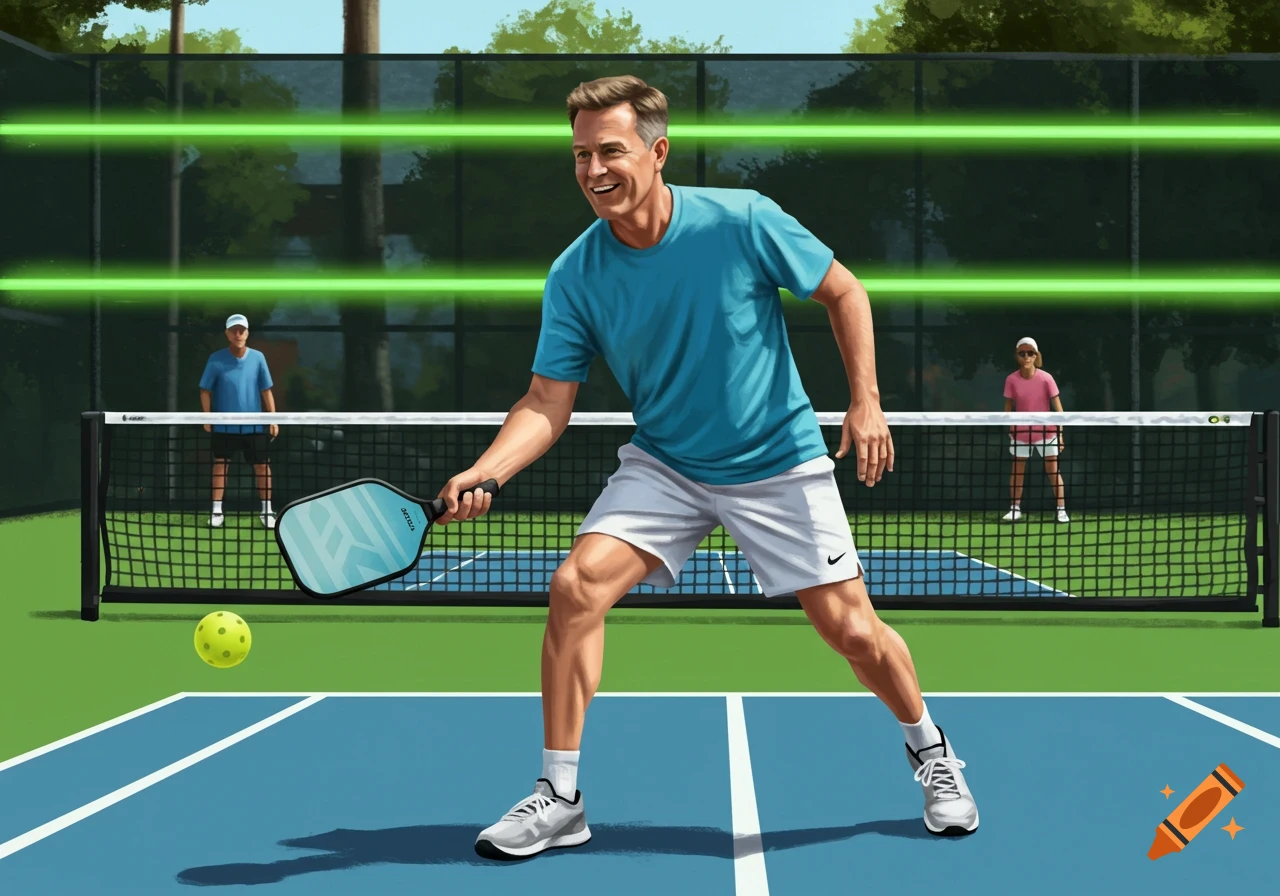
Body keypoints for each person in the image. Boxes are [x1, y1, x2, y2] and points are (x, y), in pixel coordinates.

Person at [436, 75, 980, 861]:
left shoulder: (742, 220)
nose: (593, 170)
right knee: (575, 587)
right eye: (581, 155)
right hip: (667, 463)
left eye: (610, 151)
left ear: (657, 153)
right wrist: (488, 469)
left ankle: (931, 752)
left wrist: (865, 401)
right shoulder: (576, 274)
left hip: (778, 459)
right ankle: (560, 797)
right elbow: (546, 401)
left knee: (852, 632)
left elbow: (844, 291)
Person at [199, 313, 278, 529]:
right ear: (227, 333)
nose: (238, 333)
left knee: (263, 467)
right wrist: (207, 417)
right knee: (221, 466)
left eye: (241, 330)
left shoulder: (258, 358)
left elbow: (266, 390)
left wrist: (273, 419)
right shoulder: (216, 359)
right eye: (234, 330)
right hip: (224, 426)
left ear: (247, 333)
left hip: (255, 426)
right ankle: (216, 511)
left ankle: (267, 510)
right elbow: (205, 390)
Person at [1002, 337, 1068, 523]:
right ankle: (1015, 509)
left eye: (1030, 353)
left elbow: (1059, 411)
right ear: (1017, 356)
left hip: (1047, 432)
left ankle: (1061, 510)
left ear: (1036, 355)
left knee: (1053, 471)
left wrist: (1060, 435)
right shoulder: (1011, 380)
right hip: (1021, 433)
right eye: (1022, 353)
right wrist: (1011, 427)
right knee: (1017, 471)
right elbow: (1008, 408)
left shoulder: (1047, 379)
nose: (1026, 357)